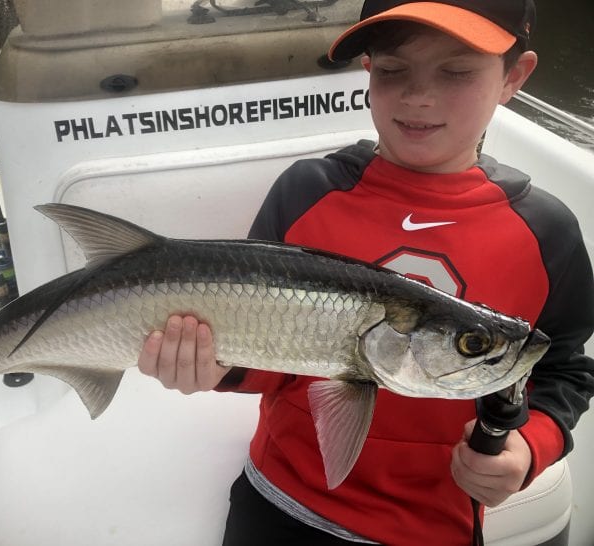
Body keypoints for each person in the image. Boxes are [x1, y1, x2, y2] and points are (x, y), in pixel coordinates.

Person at [137, 1, 594, 544]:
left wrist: (528, 447)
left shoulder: (546, 233)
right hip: (279, 497)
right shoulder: (306, 192)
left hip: (432, 526)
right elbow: (270, 350)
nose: (417, 96)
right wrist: (216, 369)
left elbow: (564, 368)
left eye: (456, 71)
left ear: (514, 76)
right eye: (393, 70)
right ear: (367, 72)